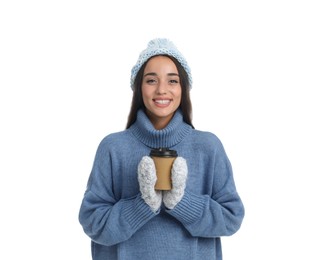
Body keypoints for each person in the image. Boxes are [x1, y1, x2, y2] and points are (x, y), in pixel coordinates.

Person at [78, 38, 245, 260]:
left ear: (183, 88)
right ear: (139, 87)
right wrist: (143, 204)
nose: (162, 90)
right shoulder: (113, 148)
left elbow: (231, 218)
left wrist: (181, 202)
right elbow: (93, 223)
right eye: (151, 80)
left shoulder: (208, 147)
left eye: (172, 81)